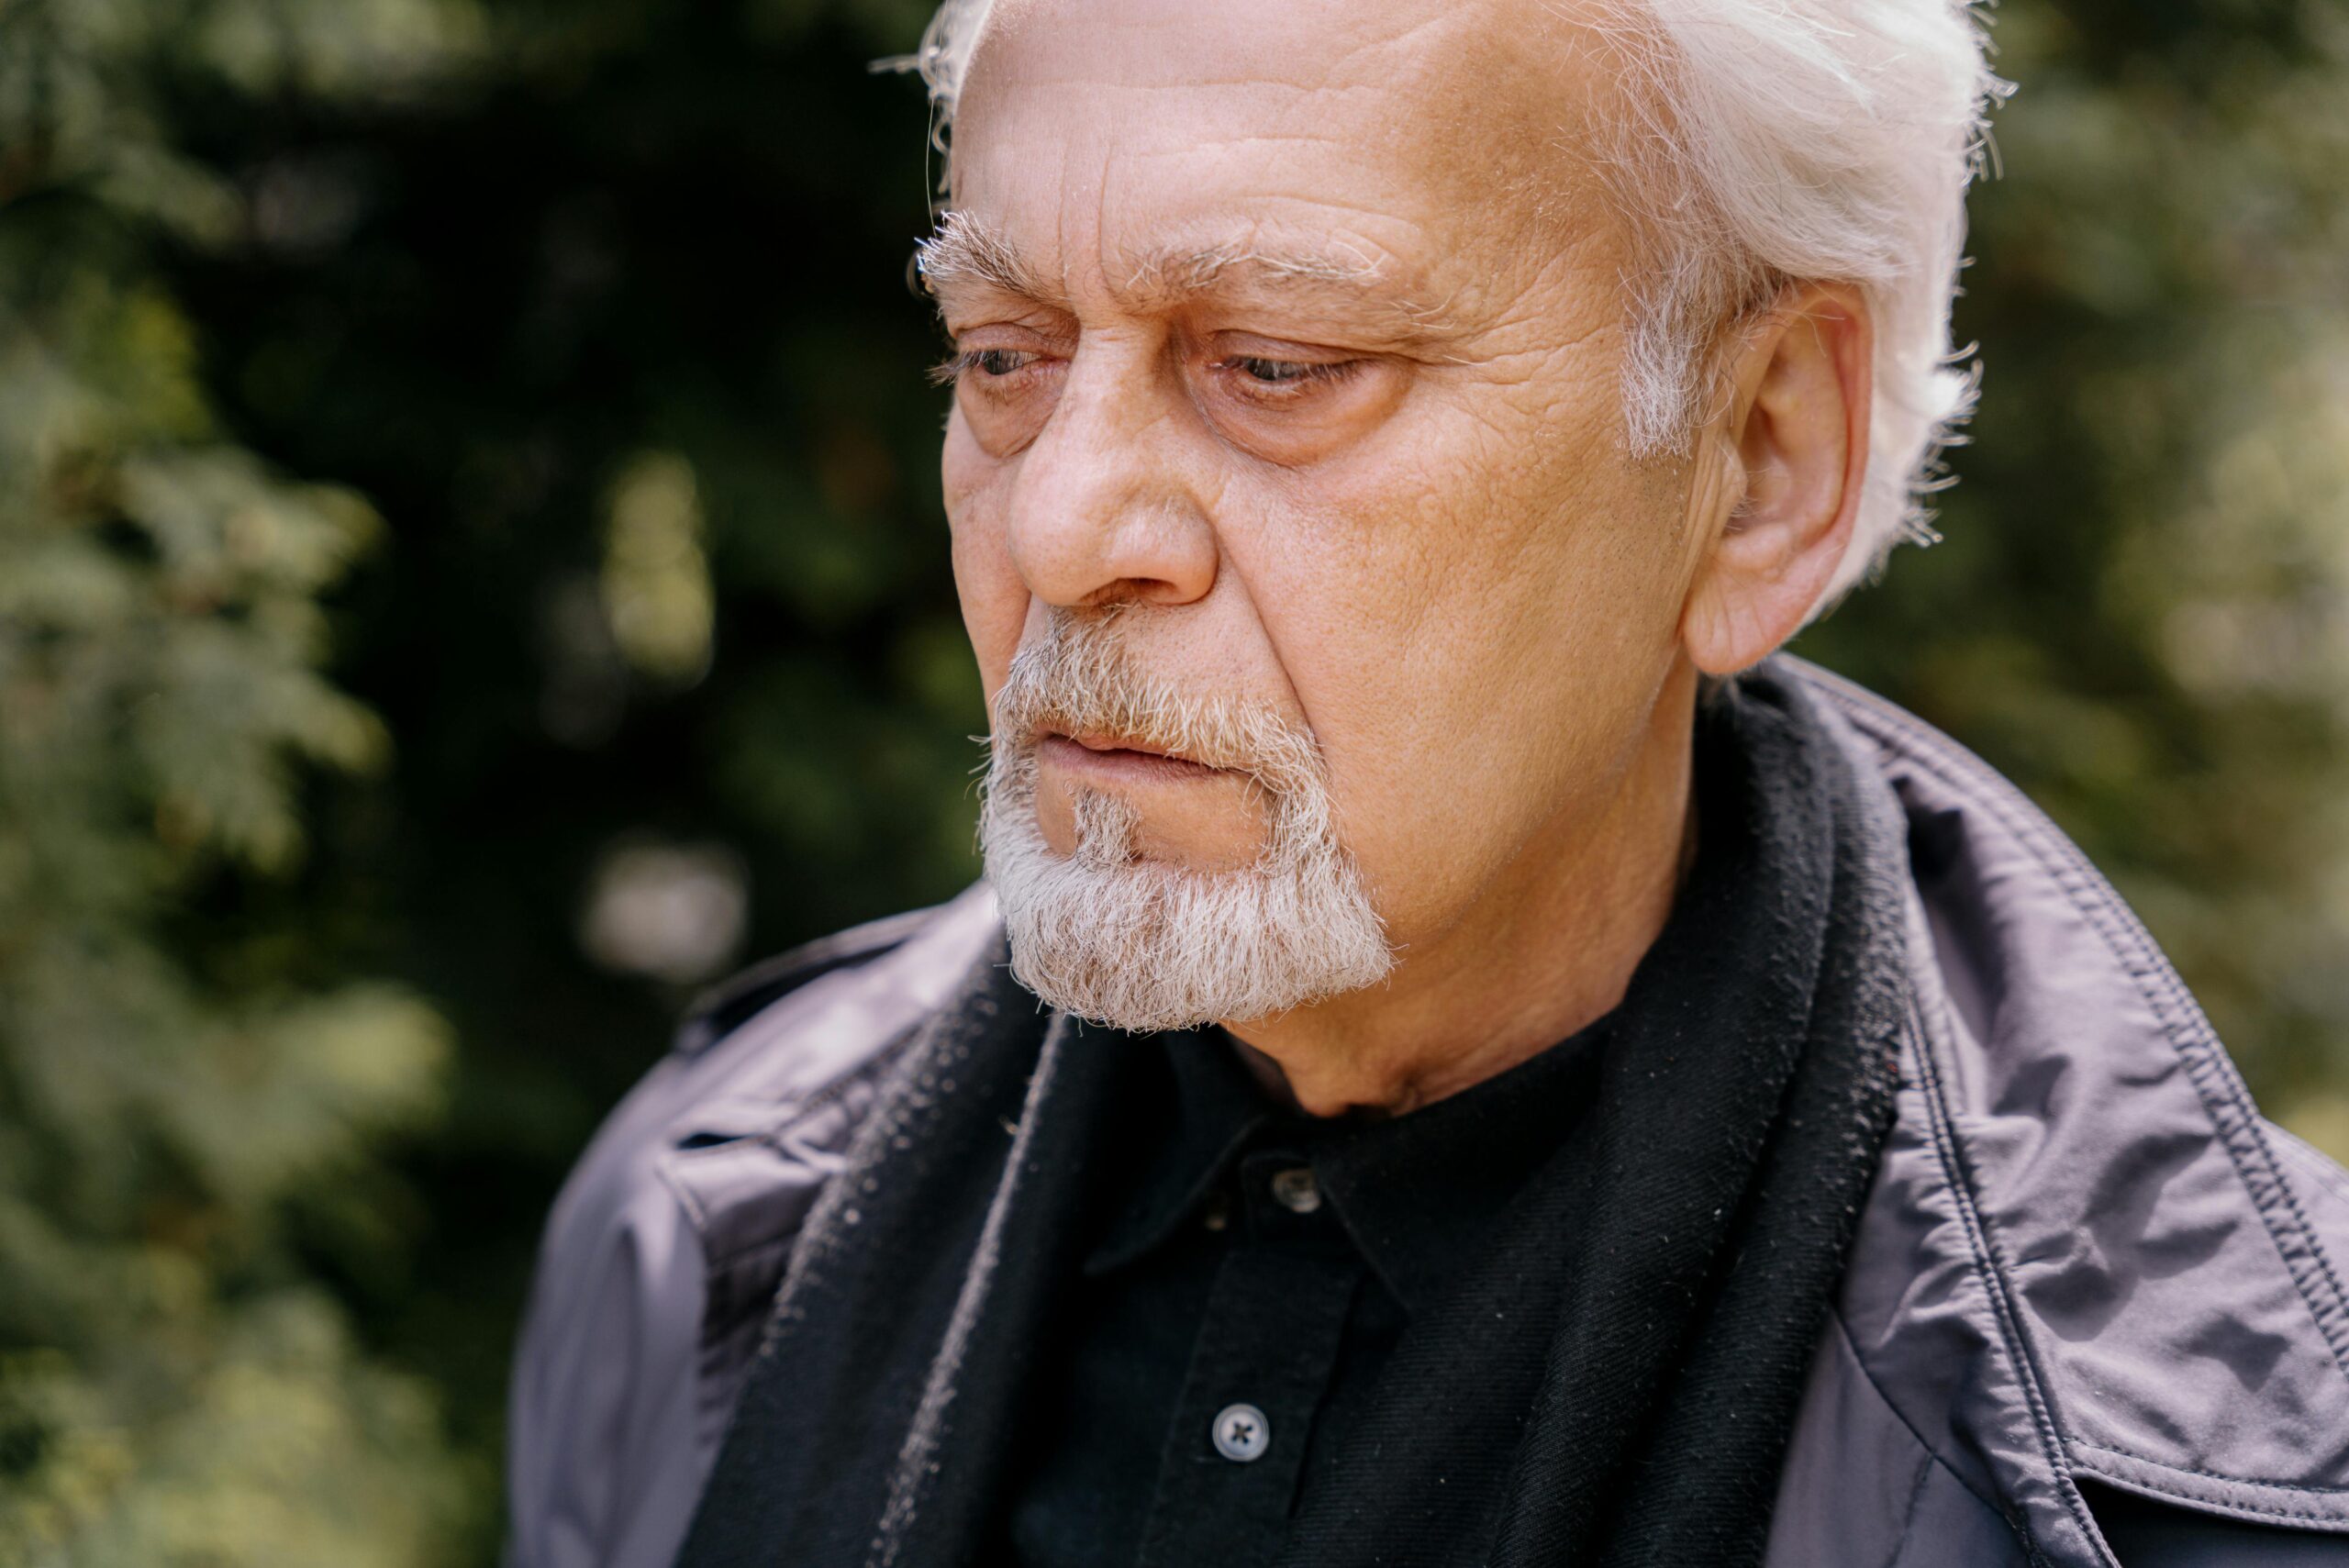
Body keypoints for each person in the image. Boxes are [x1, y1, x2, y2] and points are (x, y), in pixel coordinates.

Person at [503, 0, 2349, 1563]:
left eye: (1277, 363)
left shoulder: (2227, 1478)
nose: (1056, 524)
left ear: (1760, 458)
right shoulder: (705, 1224)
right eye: (1001, 355)